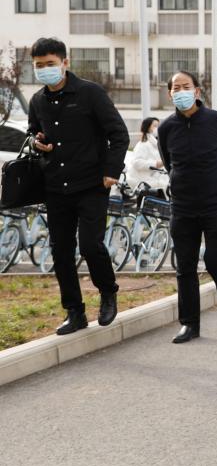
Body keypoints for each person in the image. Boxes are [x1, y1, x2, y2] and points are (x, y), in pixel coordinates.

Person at [26, 37, 129, 335]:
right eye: (39, 65)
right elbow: (33, 133)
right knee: (60, 252)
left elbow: (119, 134)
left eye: (50, 64)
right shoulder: (37, 101)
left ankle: (108, 292)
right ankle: (74, 311)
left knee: (90, 245)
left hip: (92, 184)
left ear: (65, 63)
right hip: (55, 187)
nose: (45, 69)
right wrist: (36, 142)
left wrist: (111, 171)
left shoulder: (90, 93)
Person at [158, 71, 217, 343]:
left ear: (197, 91)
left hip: (215, 203)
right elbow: (169, 163)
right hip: (182, 206)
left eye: (186, 86)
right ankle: (190, 324)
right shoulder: (166, 128)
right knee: (184, 266)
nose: (181, 91)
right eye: (176, 88)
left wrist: (214, 181)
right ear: (170, 94)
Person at [126, 117, 169, 191]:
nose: (157, 128)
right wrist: (156, 164)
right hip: (144, 181)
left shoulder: (157, 144)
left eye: (158, 126)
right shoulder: (143, 145)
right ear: (147, 128)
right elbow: (136, 162)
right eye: (155, 126)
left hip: (156, 179)